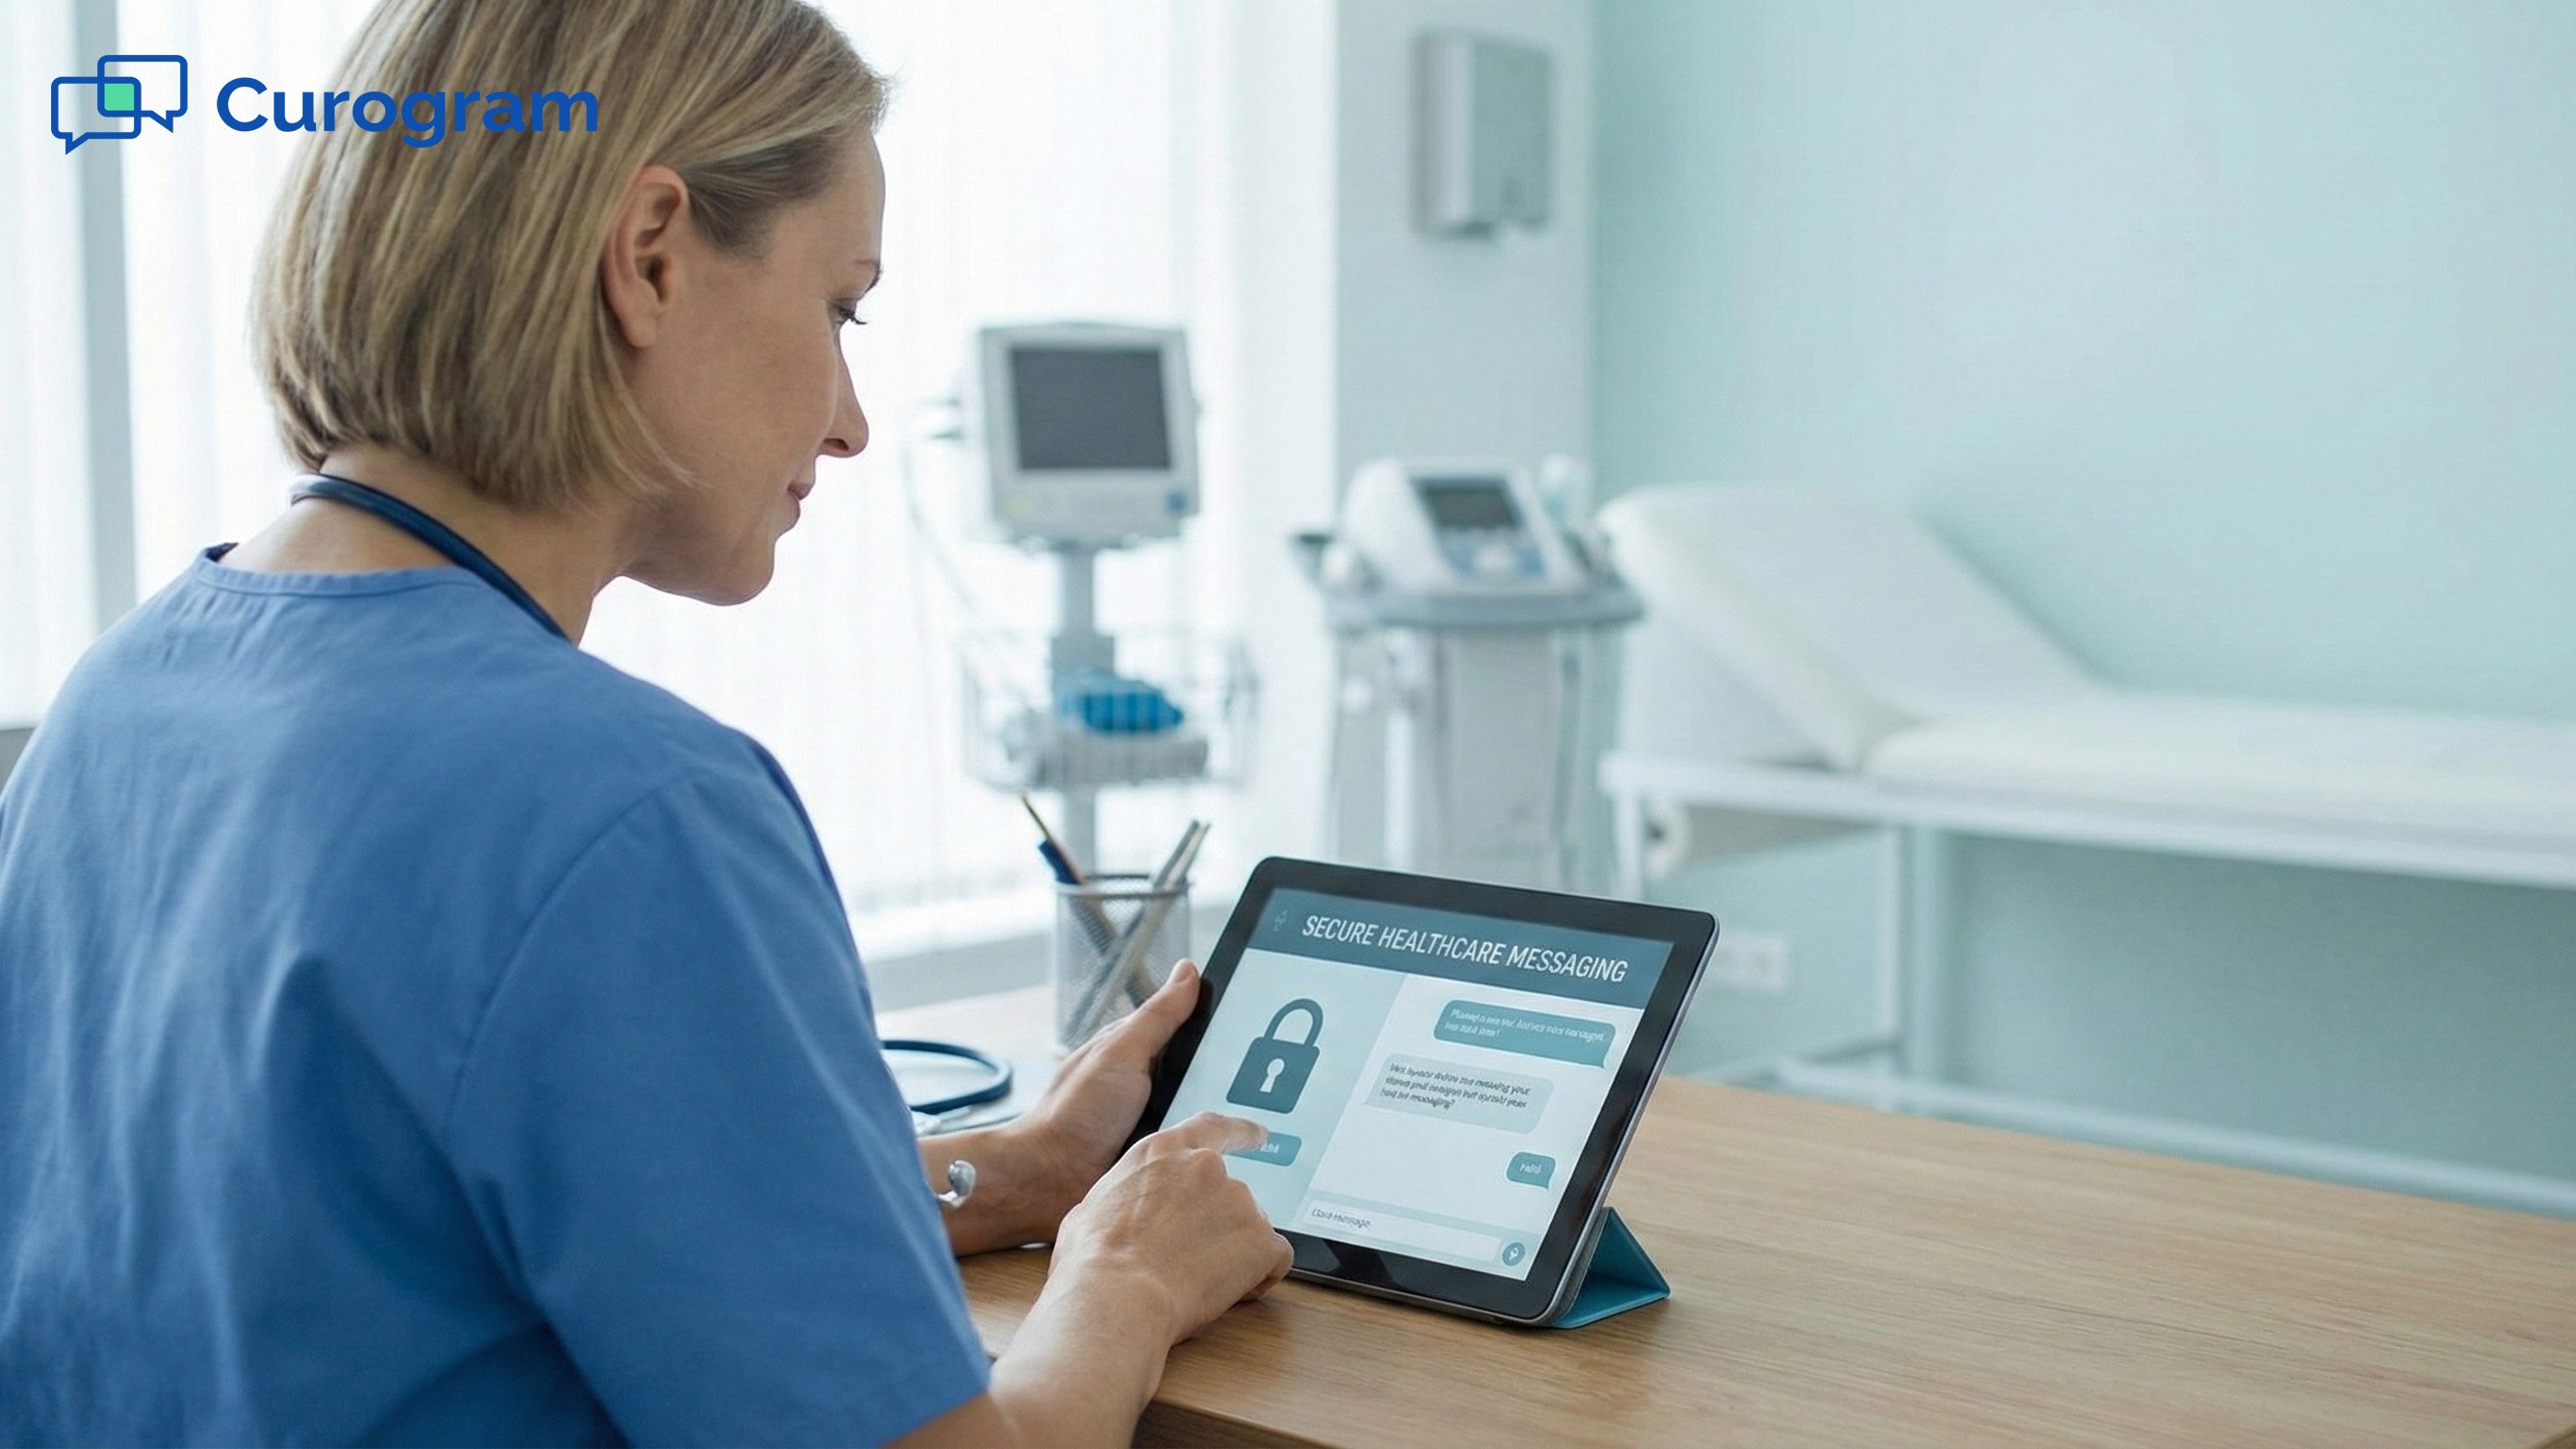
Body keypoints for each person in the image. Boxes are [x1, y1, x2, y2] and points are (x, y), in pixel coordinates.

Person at [0, 1, 1290, 1443]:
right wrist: (1118, 1277)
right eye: (839, 308)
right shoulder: (623, 811)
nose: (851, 419)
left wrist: (1025, 1173)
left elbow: (411, 1256)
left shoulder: (118, 702)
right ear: (651, 255)